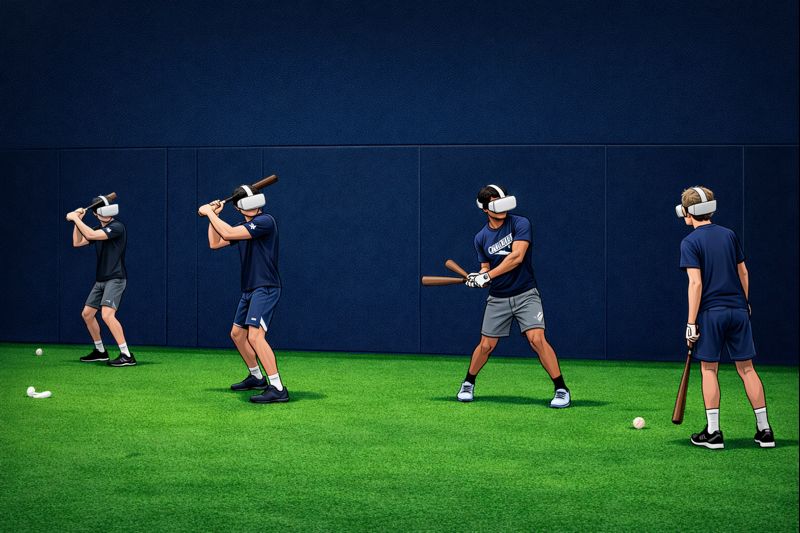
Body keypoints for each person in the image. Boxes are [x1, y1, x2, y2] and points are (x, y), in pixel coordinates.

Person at [677, 186, 774, 449]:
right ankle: (765, 431)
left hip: (711, 314)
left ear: (688, 213)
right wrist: (744, 302)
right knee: (747, 368)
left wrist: (690, 322)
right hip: (738, 310)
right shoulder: (729, 235)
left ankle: (713, 432)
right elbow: (743, 273)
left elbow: (695, 284)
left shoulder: (690, 242)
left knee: (709, 369)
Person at [457, 184, 570, 408]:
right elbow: (485, 267)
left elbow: (516, 257)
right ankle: (468, 383)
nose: (501, 207)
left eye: (503, 200)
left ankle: (561, 388)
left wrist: (487, 276)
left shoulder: (520, 223)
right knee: (486, 345)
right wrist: (478, 277)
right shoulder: (480, 238)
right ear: (485, 209)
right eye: (495, 203)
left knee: (537, 339)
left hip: (526, 293)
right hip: (498, 297)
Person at [198, 185, 287, 403]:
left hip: (265, 287)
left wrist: (209, 212)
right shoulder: (243, 226)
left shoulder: (266, 221)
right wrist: (214, 217)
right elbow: (215, 242)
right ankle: (256, 377)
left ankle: (277, 387)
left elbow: (227, 232)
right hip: (250, 288)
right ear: (239, 207)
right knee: (237, 335)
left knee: (255, 336)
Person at [66, 195, 136, 366]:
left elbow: (90, 233)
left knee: (107, 314)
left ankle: (127, 355)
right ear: (96, 215)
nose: (106, 215)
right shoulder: (98, 227)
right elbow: (77, 242)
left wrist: (75, 217)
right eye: (101, 212)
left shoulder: (117, 227)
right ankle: (100, 351)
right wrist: (78, 221)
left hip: (116, 278)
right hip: (101, 279)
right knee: (87, 314)